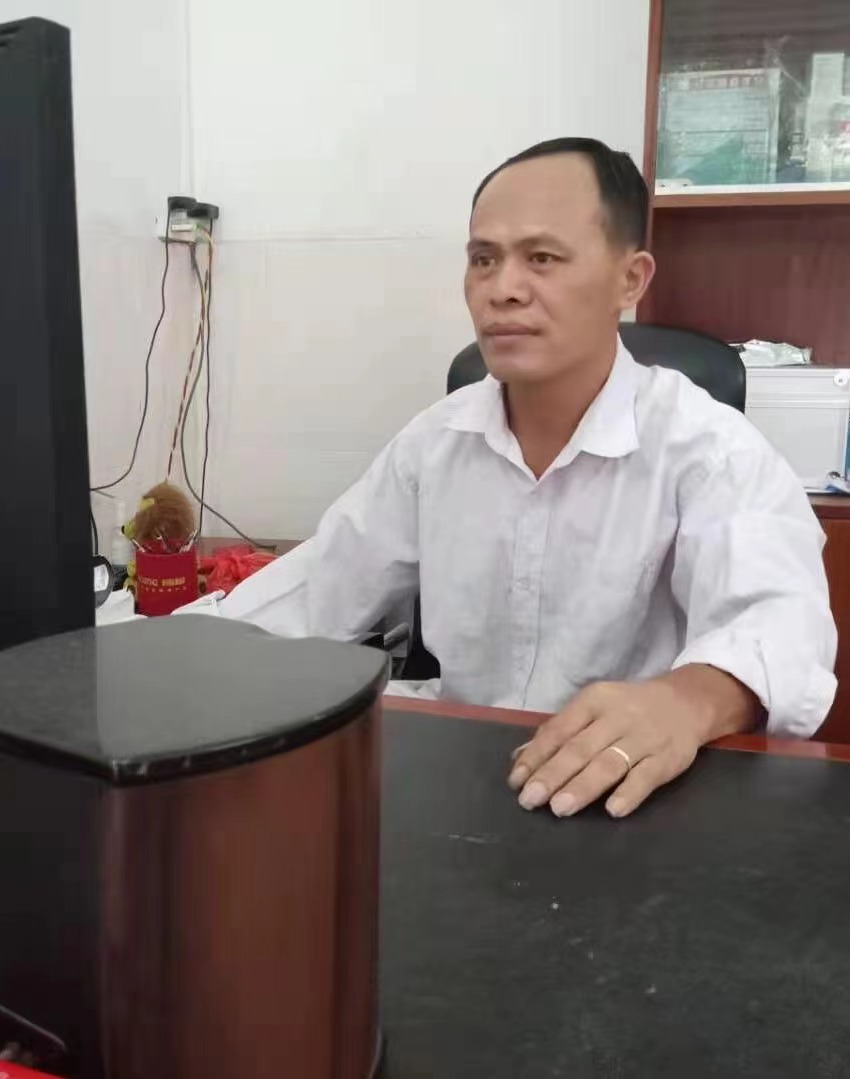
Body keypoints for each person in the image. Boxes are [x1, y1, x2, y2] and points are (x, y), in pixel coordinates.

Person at [183, 137, 836, 818]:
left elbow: (782, 623)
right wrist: (171, 651)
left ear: (631, 279)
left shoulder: (710, 449)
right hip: (463, 780)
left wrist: (686, 701)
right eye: (483, 259)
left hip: (629, 795)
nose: (503, 289)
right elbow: (321, 588)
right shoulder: (436, 442)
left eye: (542, 258)